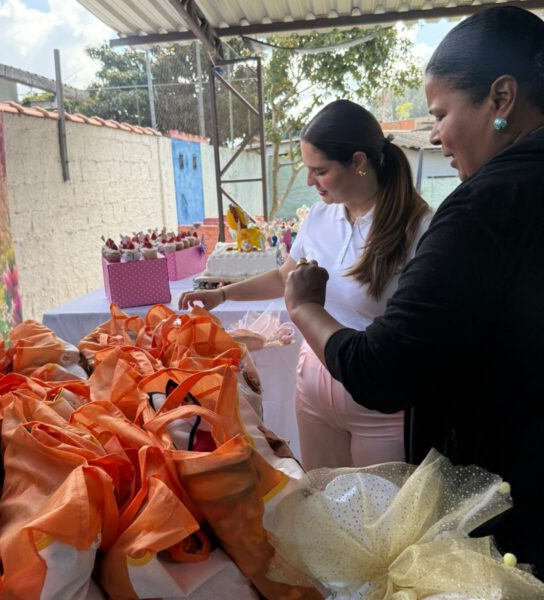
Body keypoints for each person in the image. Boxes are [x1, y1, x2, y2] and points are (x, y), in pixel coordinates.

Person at [284, 6, 544, 575]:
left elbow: (384, 369)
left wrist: (302, 308)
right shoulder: (324, 218)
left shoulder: (477, 209)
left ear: (501, 98)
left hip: (507, 498)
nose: (435, 135)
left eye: (441, 114)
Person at [179, 99, 432, 470]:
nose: (310, 182)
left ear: (358, 162)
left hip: (378, 403)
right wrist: (222, 294)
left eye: (320, 171)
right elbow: (285, 276)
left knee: (380, 503)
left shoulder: (420, 228)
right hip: (314, 386)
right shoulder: (320, 216)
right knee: (321, 494)